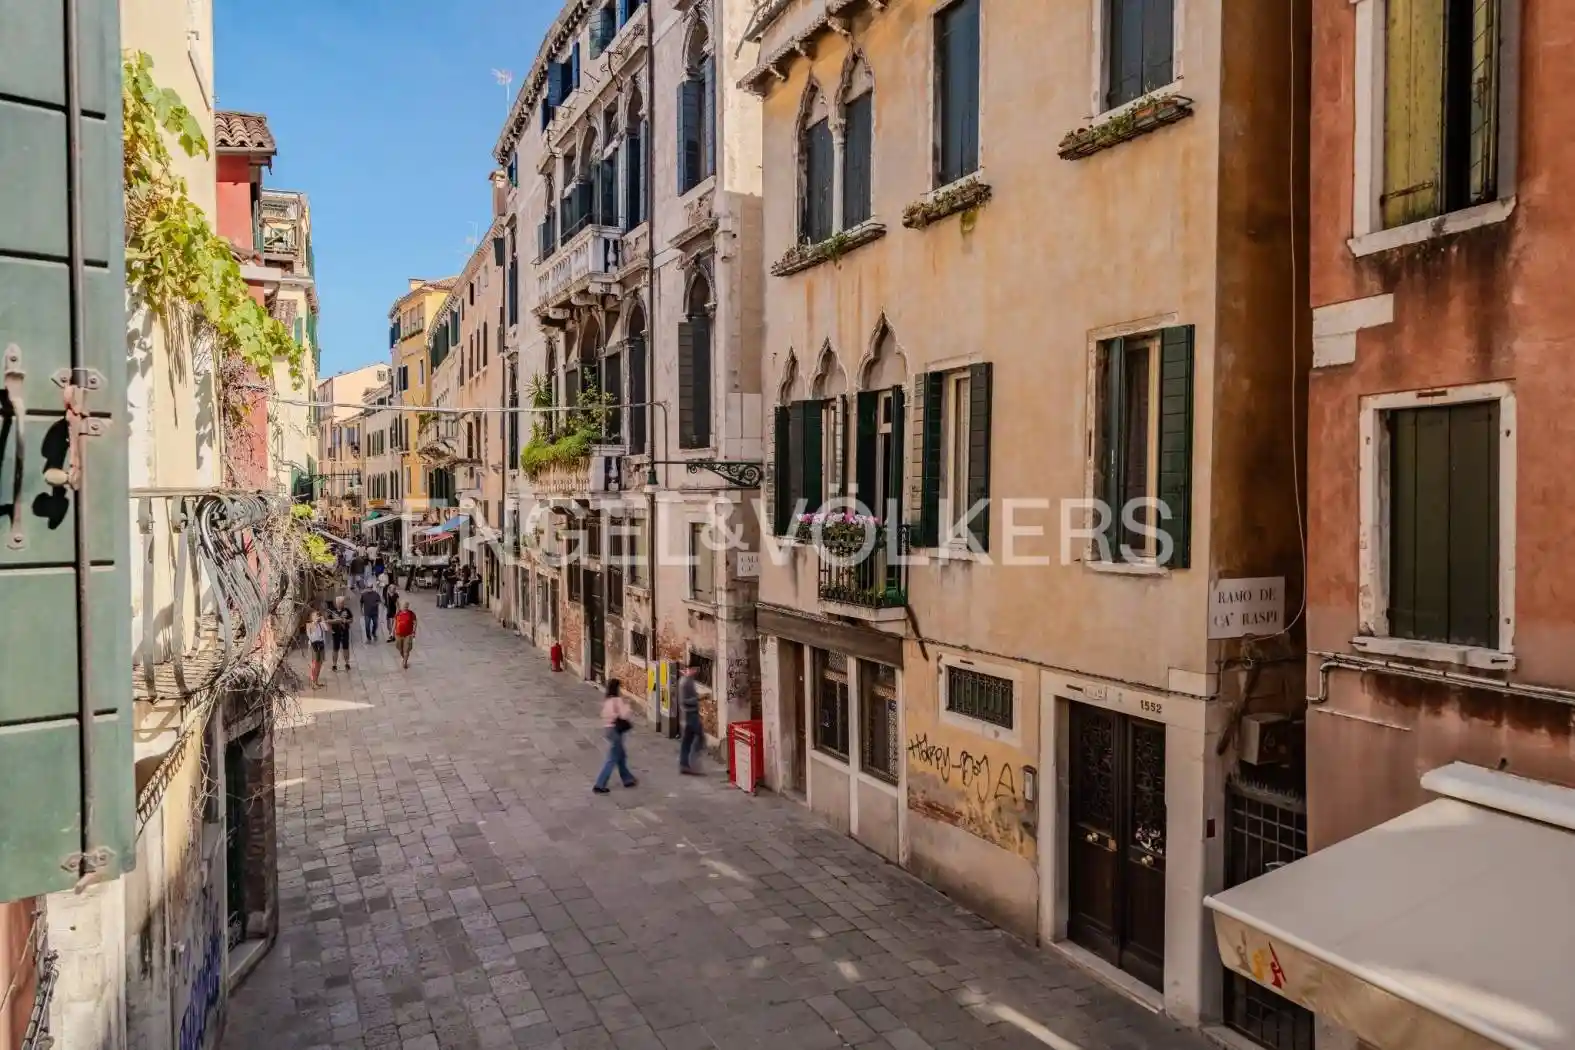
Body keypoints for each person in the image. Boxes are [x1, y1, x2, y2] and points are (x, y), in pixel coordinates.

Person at [592, 680, 638, 794]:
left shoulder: (607, 701)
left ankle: (627, 779)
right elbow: (625, 714)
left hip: (608, 730)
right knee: (612, 758)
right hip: (616, 731)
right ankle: (599, 784)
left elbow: (604, 715)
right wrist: (628, 704)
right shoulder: (617, 700)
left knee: (621, 756)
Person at [678, 663, 705, 775]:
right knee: (699, 738)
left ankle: (685, 764)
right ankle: (692, 763)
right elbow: (684, 701)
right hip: (690, 714)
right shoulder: (685, 682)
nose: (696, 671)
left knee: (687, 741)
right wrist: (698, 698)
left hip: (689, 715)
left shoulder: (689, 680)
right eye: (694, 669)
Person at [327, 596, 354, 671]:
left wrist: (346, 621)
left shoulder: (347, 610)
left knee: (346, 648)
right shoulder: (332, 611)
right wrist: (336, 620)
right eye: (340, 603)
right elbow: (328, 621)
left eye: (342, 602)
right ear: (336, 603)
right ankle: (334, 665)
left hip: (345, 632)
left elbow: (351, 619)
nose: (341, 604)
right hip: (336, 633)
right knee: (335, 649)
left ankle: (347, 663)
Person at [392, 600, 418, 670]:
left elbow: (415, 622)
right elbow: (395, 622)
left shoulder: (411, 614)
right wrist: (392, 631)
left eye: (406, 606)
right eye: (404, 606)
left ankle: (405, 662)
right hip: (398, 634)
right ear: (401, 606)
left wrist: (414, 632)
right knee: (400, 649)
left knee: (406, 650)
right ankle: (404, 657)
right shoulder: (398, 613)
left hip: (408, 635)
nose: (405, 607)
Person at [304, 609, 327, 688]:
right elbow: (309, 634)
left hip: (321, 644)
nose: (317, 617)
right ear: (311, 617)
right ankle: (313, 682)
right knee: (314, 664)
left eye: (317, 615)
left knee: (320, 664)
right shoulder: (309, 625)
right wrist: (314, 623)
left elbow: (326, 629)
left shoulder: (320, 624)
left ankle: (316, 681)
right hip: (314, 645)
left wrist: (323, 621)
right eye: (315, 615)